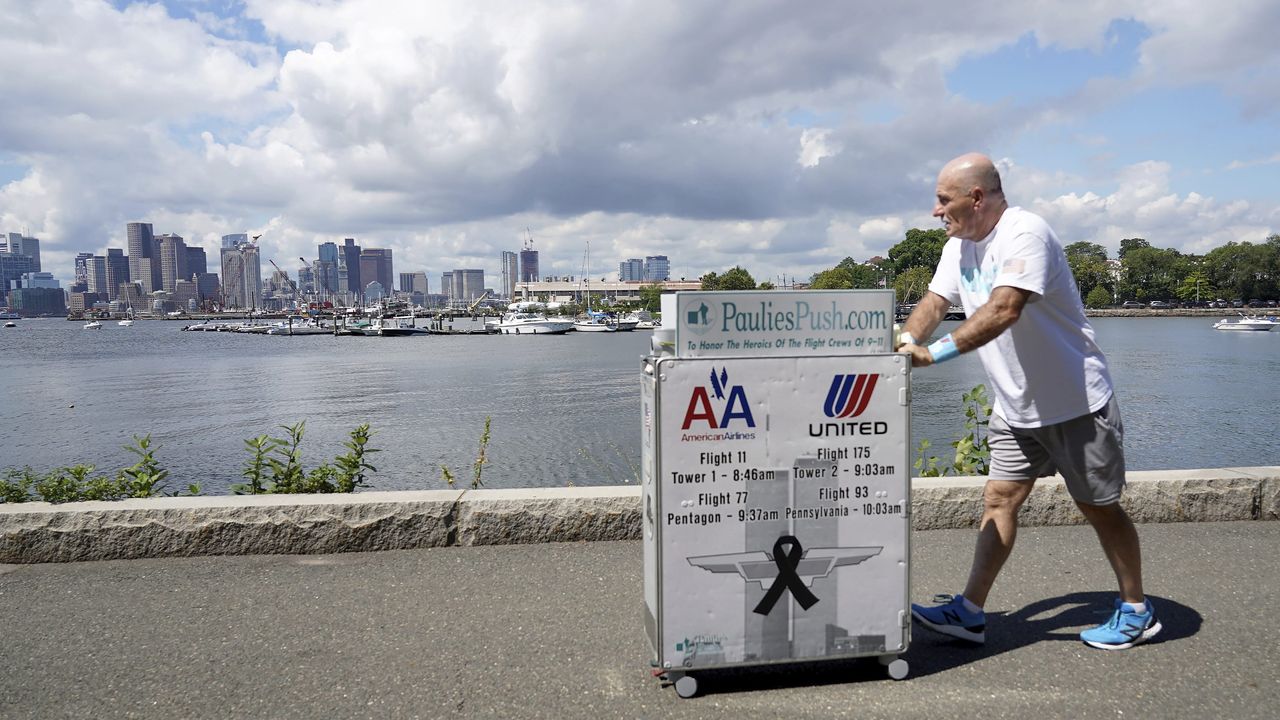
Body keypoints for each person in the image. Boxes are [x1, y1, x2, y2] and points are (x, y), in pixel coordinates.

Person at [897, 152, 1162, 651]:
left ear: (976, 197)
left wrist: (933, 354)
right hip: (1016, 407)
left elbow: (1004, 309)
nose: (935, 211)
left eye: (942, 200)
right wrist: (905, 341)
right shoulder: (958, 245)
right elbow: (935, 302)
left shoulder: (1025, 233)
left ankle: (1136, 611)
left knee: (1099, 506)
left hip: (1076, 403)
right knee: (999, 499)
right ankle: (970, 612)